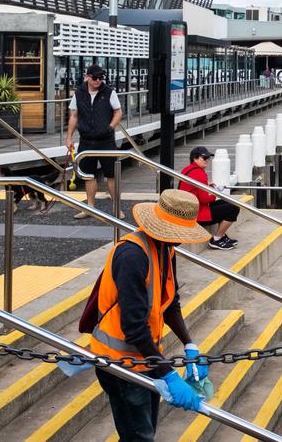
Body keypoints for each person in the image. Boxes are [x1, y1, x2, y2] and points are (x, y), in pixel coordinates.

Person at [90, 189, 211, 441]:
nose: (181, 240)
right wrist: (167, 373)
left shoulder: (166, 249)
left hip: (145, 357)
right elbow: (133, 327)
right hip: (120, 362)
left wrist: (190, 344)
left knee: (144, 431)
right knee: (139, 436)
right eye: (178, 234)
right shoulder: (132, 255)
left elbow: (170, 302)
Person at [66, 64, 123, 219]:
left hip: (106, 139)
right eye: (95, 78)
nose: (98, 81)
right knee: (87, 175)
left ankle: (117, 207)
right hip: (86, 140)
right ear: (87, 77)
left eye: (101, 78)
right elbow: (74, 116)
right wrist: (69, 137)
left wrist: (110, 127)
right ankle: (90, 208)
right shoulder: (79, 93)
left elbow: (118, 111)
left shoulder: (109, 92)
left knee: (111, 175)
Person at [179, 146, 240, 250]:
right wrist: (215, 192)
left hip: (189, 210)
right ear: (195, 158)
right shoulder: (199, 173)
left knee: (227, 202)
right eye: (204, 158)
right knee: (234, 208)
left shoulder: (187, 169)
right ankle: (217, 239)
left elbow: (194, 189)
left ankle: (222, 235)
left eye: (208, 158)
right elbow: (205, 200)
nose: (207, 160)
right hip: (196, 215)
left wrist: (207, 185)